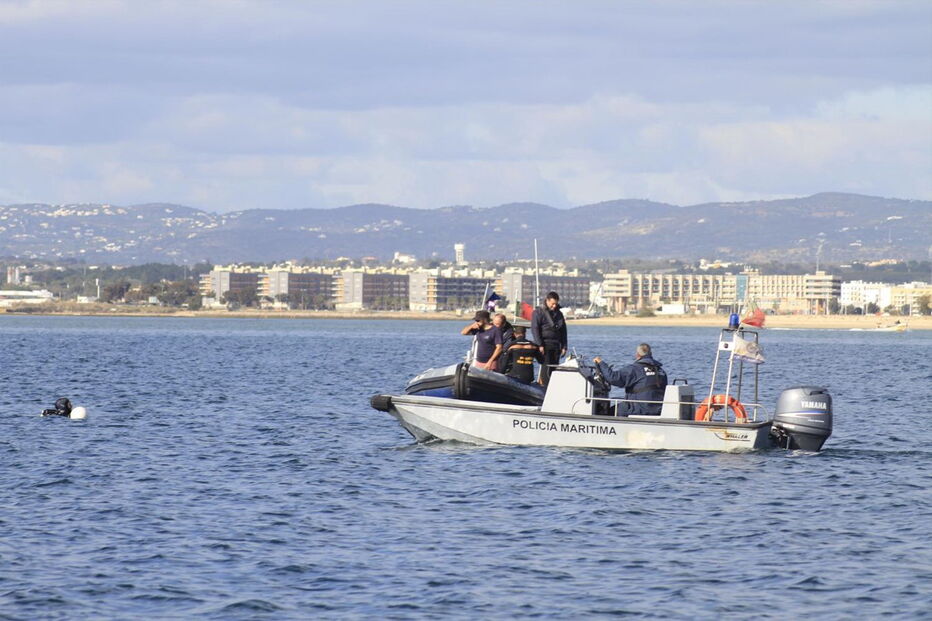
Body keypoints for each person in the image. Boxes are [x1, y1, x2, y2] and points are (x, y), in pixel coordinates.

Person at [593, 343, 668, 416]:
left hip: (640, 408)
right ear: (651, 354)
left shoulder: (635, 369)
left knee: (608, 412)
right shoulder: (661, 371)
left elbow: (613, 378)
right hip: (659, 409)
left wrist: (601, 363)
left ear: (637, 355)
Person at [531, 291, 567, 385]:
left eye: (556, 303)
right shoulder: (538, 312)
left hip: (556, 345)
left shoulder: (559, 314)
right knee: (546, 368)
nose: (554, 306)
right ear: (547, 301)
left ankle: (552, 386)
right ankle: (545, 387)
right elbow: (535, 329)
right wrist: (539, 344)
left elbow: (563, 331)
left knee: (554, 368)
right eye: (552, 304)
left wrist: (564, 346)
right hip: (545, 345)